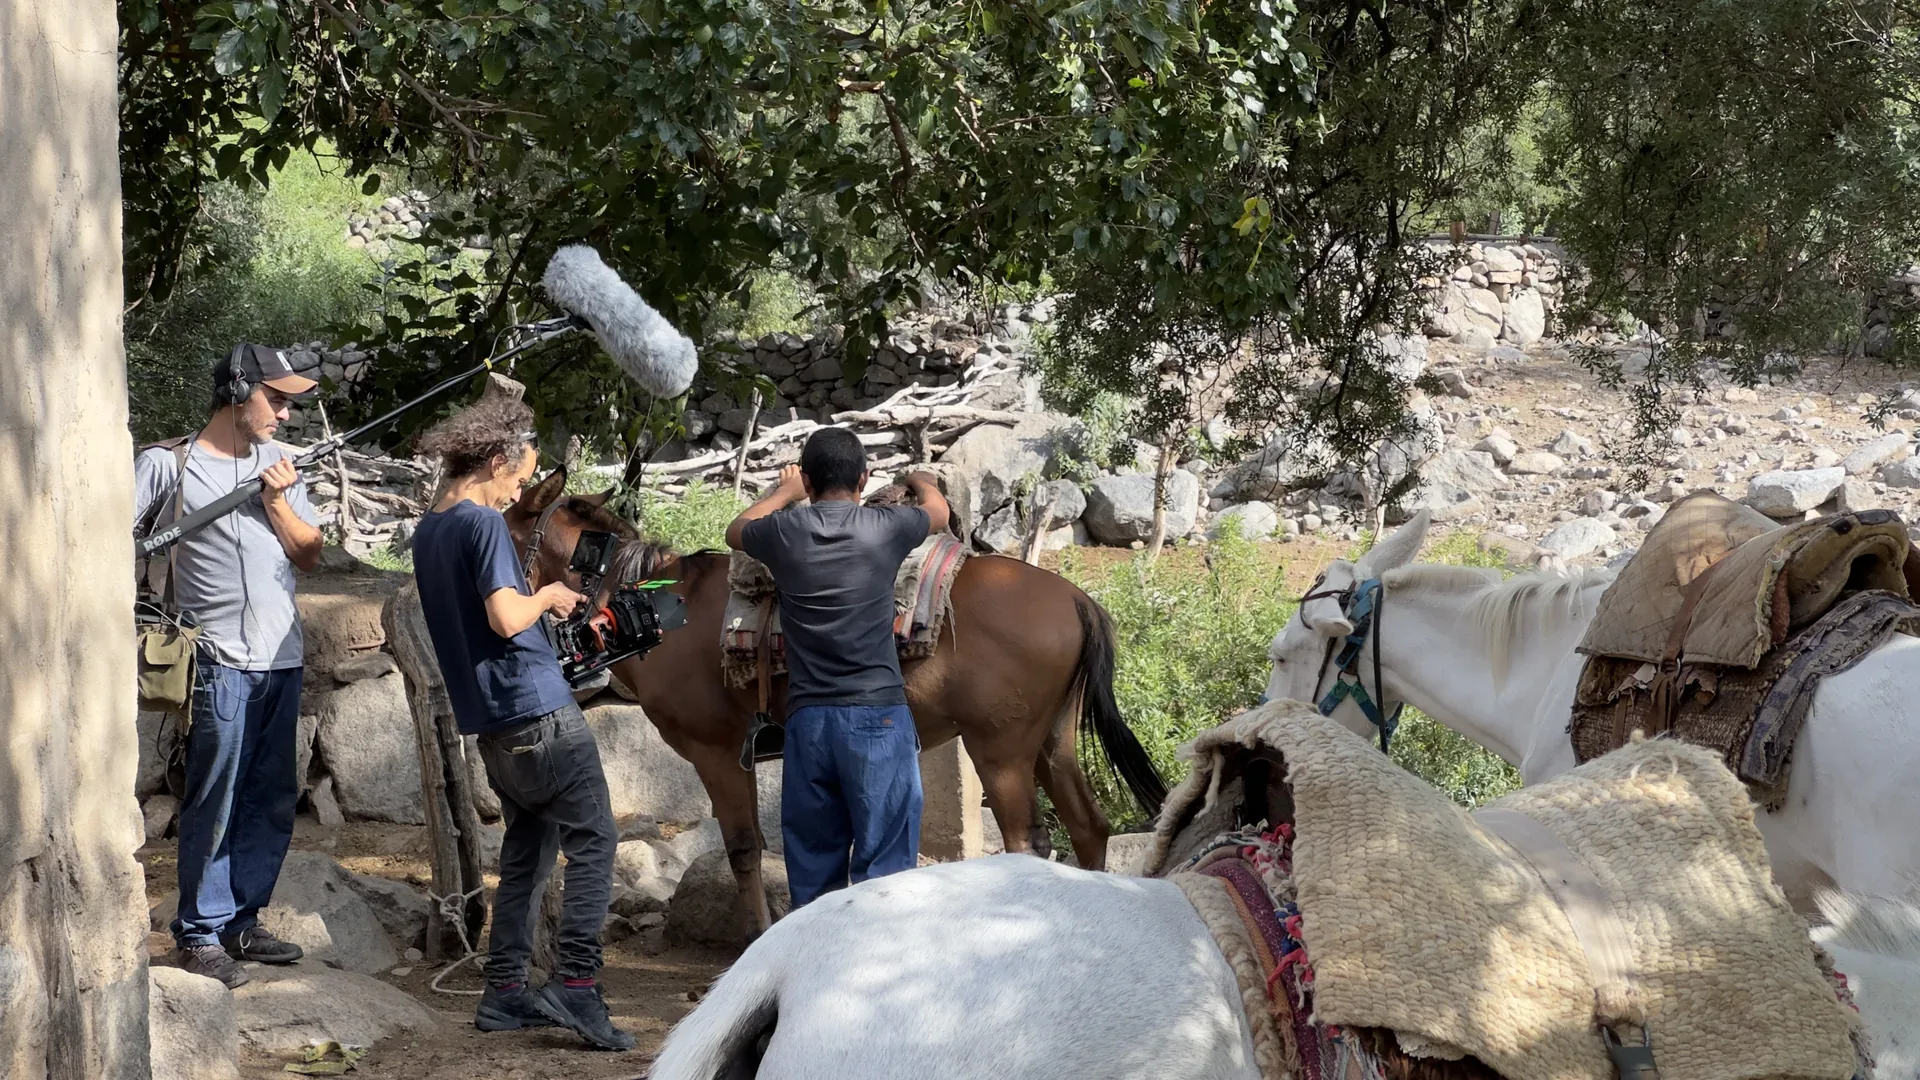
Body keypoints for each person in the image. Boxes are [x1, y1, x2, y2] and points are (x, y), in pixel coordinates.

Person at [408, 396, 633, 1052]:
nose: (517, 492)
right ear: (496, 462)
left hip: (494, 727)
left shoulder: (429, 529)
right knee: (596, 838)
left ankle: (506, 991)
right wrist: (550, 598)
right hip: (539, 711)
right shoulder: (480, 524)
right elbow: (507, 618)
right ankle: (577, 984)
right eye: (517, 478)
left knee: (527, 849)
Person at [134, 344, 324, 989]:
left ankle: (245, 919)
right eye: (278, 399)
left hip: (282, 657)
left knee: (270, 798)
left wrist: (277, 503)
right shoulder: (168, 465)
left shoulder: (282, 464)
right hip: (215, 659)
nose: (287, 414)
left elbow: (310, 555)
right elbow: (113, 538)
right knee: (214, 796)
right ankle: (200, 932)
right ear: (239, 392)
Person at [725, 427, 952, 907]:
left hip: (808, 724)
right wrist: (920, 475)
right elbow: (939, 513)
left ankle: (816, 976)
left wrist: (784, 492)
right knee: (886, 876)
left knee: (813, 876)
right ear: (865, 479)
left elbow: (735, 530)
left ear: (807, 480)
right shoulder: (887, 526)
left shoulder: (784, 531)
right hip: (877, 717)